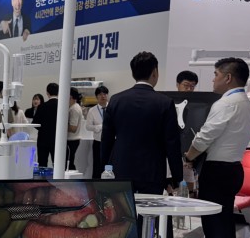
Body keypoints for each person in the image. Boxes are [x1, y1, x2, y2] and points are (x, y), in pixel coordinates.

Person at [182, 57, 250, 238]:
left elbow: (206, 135)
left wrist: (189, 155)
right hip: (233, 168)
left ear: (228, 77)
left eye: (215, 74)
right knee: (224, 226)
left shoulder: (226, 104)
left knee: (214, 226)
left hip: (218, 170)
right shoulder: (245, 103)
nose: (213, 79)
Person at [100, 52, 182, 195]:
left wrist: (104, 170)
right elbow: (172, 144)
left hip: (120, 170)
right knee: (150, 208)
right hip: (152, 172)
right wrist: (177, 179)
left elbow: (106, 140)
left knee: (122, 208)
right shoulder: (165, 102)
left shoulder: (116, 100)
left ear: (133, 73)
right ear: (155, 72)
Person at [32, 83, 59, 168]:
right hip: (57, 139)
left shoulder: (42, 106)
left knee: (42, 163)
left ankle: (42, 176)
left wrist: (43, 129)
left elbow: (35, 123)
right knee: (58, 163)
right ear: (58, 92)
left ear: (47, 93)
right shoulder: (62, 106)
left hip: (43, 139)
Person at [85, 85, 108, 178]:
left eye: (105, 94)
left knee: (110, 164)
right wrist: (99, 127)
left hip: (111, 142)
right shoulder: (92, 110)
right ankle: (96, 184)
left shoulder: (112, 108)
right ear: (96, 97)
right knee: (97, 165)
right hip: (98, 142)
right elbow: (88, 126)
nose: (103, 96)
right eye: (100, 94)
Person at [66, 87, 83, 171]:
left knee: (69, 164)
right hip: (71, 140)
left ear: (70, 96)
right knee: (68, 163)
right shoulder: (72, 107)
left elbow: (73, 128)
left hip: (72, 140)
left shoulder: (74, 109)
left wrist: (61, 126)